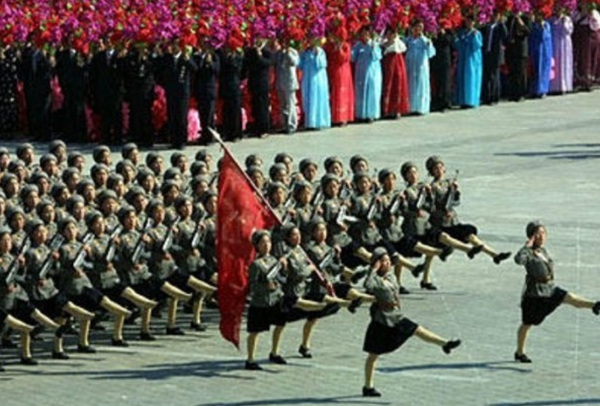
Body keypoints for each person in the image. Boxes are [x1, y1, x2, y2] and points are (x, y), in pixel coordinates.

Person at [361, 247, 461, 397]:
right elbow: (367, 286)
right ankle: (368, 387)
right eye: (384, 261)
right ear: (377, 263)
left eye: (388, 260)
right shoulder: (374, 278)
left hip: (396, 315)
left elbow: (395, 292)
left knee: (416, 329)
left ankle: (444, 344)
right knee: (373, 355)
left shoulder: (391, 276)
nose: (388, 263)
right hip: (381, 320)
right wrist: (373, 270)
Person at [514, 221, 600, 363]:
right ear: (531, 236)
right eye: (538, 234)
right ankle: (519, 352)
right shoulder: (528, 252)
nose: (542, 236)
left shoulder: (542, 251)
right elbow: (518, 260)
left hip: (550, 289)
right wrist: (526, 247)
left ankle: (594, 305)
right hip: (535, 295)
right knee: (527, 324)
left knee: (568, 297)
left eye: (543, 233)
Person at [425, 156, 512, 265]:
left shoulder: (449, 183)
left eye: (441, 167)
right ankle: (426, 274)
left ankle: (494, 255)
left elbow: (455, 202)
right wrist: (441, 212)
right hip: (439, 223)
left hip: (453, 222)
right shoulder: (432, 187)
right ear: (432, 172)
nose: (439, 170)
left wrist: (456, 192)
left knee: (471, 236)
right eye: (436, 168)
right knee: (432, 251)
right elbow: (431, 207)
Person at [405, 21, 436, 115]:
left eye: (421, 27)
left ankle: (421, 107)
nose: (418, 29)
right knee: (411, 84)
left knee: (421, 85)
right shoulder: (408, 39)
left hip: (421, 66)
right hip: (411, 65)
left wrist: (427, 42)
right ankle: (411, 107)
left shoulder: (425, 40)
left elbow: (431, 53)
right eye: (417, 27)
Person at [299, 39, 331, 130]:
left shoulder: (320, 51)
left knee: (317, 98)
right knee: (308, 98)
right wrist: (299, 53)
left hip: (317, 78)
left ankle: (319, 122)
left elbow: (323, 64)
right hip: (307, 78)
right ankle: (309, 122)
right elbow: (300, 65)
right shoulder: (306, 52)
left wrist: (317, 55)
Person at [352, 28, 383, 122]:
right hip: (361, 72)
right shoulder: (358, 45)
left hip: (373, 72)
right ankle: (361, 114)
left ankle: (371, 114)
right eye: (362, 34)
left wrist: (373, 48)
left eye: (366, 34)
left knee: (372, 92)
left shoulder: (374, 44)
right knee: (361, 92)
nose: (364, 36)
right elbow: (352, 58)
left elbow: (378, 56)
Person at [325, 31, 354, 126]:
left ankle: (343, 118)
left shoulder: (346, 46)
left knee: (342, 94)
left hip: (343, 72)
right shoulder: (330, 45)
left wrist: (339, 49)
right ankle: (334, 117)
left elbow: (345, 58)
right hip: (333, 71)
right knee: (334, 93)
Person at [454, 16, 483, 108]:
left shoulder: (477, 33)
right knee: (462, 78)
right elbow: (457, 45)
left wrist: (474, 37)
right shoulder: (462, 33)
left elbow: (478, 45)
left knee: (471, 78)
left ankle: (471, 101)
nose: (469, 23)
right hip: (463, 58)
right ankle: (462, 100)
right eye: (467, 21)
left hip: (472, 58)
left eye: (471, 21)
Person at [381, 30, 410, 118]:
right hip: (388, 64)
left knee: (397, 84)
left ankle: (397, 110)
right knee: (387, 85)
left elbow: (403, 49)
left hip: (397, 64)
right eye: (388, 34)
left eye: (391, 34)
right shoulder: (383, 42)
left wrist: (394, 41)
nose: (390, 35)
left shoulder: (398, 42)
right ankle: (387, 110)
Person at [482, 10, 508, 104]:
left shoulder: (500, 27)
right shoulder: (487, 27)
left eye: (496, 15)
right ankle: (487, 96)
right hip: (488, 53)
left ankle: (494, 96)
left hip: (496, 55)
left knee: (495, 76)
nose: (494, 17)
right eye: (493, 15)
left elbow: (505, 35)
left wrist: (502, 23)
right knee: (487, 75)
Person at [274, 39, 300, 134]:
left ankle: (292, 125)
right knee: (283, 105)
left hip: (289, 82)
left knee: (291, 104)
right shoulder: (278, 53)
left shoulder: (292, 51)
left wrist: (288, 53)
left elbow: (295, 62)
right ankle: (284, 124)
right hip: (280, 81)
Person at [505, 13, 530, 101]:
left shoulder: (525, 18)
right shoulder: (510, 18)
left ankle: (521, 93)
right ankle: (513, 93)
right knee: (513, 72)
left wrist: (521, 23)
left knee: (521, 72)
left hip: (521, 50)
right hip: (511, 49)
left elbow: (527, 32)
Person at [529, 15, 553, 98]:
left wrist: (542, 27)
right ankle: (534, 89)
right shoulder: (533, 25)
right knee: (535, 69)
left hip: (545, 50)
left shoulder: (546, 25)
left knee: (544, 69)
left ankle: (543, 90)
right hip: (535, 49)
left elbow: (545, 36)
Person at [549, 12, 574, 94]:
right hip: (555, 43)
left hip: (565, 43)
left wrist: (564, 23)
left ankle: (565, 86)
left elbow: (569, 31)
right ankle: (554, 87)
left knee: (565, 63)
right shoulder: (551, 19)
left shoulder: (567, 19)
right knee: (555, 64)